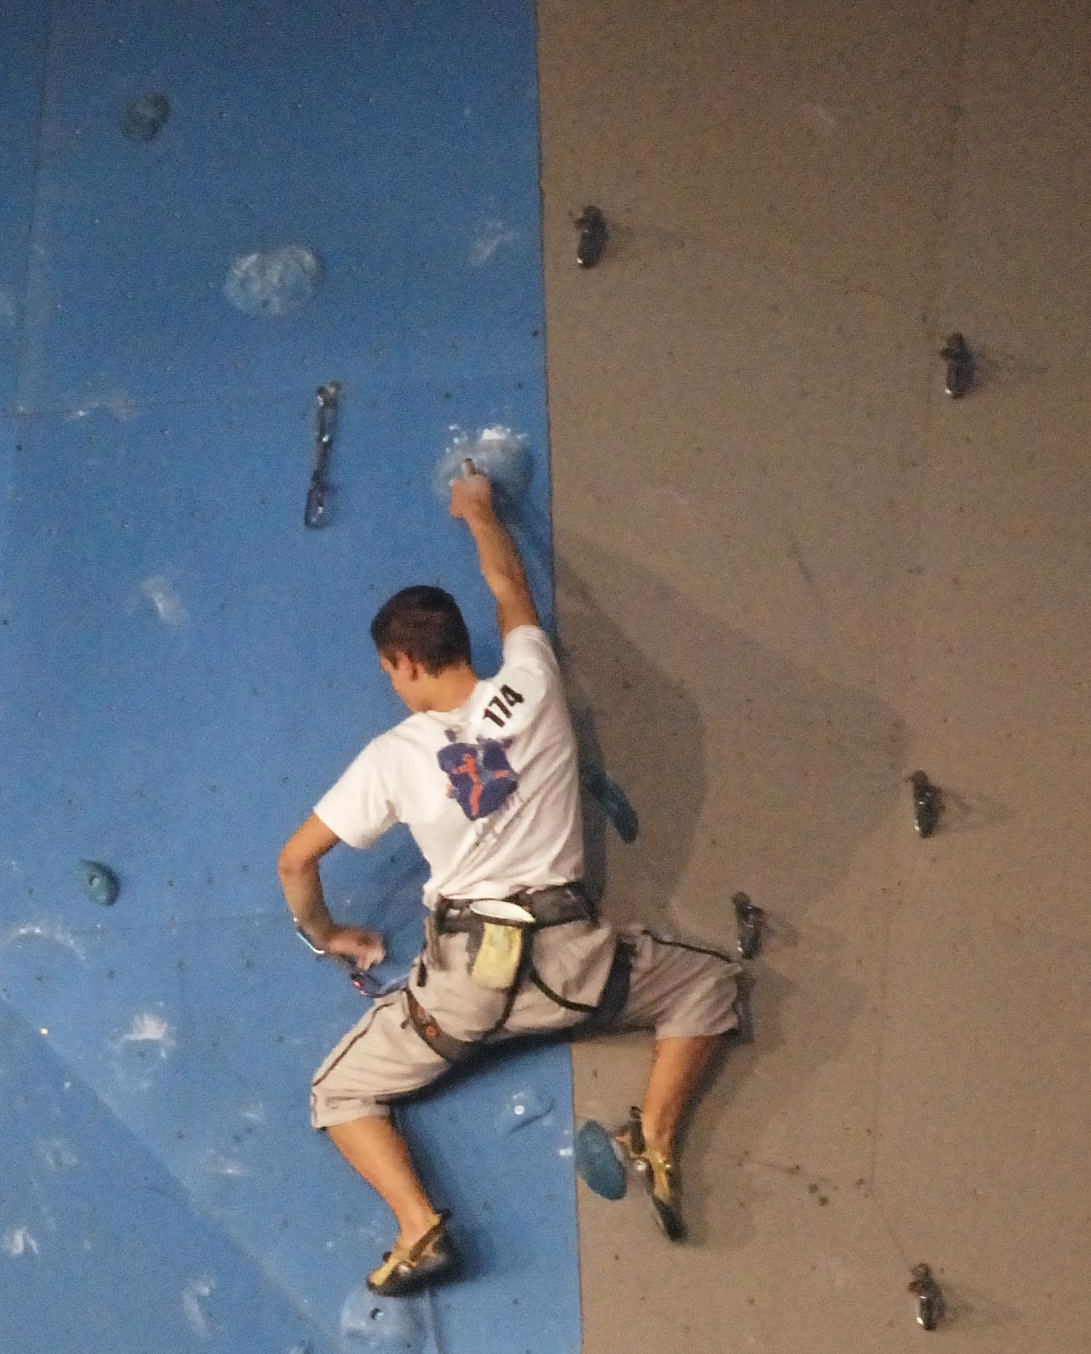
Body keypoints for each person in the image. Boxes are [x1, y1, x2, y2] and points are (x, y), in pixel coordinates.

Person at [277, 465, 742, 1285]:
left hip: (464, 995)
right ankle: (657, 1136)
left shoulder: (394, 756)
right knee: (708, 987)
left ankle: (419, 1223)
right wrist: (478, 509)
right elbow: (508, 587)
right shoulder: (533, 682)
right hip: (576, 973)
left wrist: (330, 934)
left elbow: (296, 859)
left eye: (389, 672)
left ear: (402, 663)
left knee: (338, 1094)